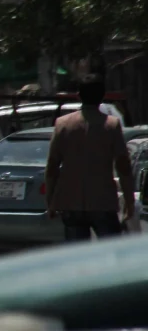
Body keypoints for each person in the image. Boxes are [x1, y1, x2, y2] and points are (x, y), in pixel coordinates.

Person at [45, 74, 135, 241]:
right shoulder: (111, 125)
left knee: (77, 258)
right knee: (112, 253)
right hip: (103, 202)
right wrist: (129, 202)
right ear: (102, 96)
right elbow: (123, 166)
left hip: (71, 203)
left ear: (79, 96)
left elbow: (52, 166)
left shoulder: (62, 124)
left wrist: (50, 201)